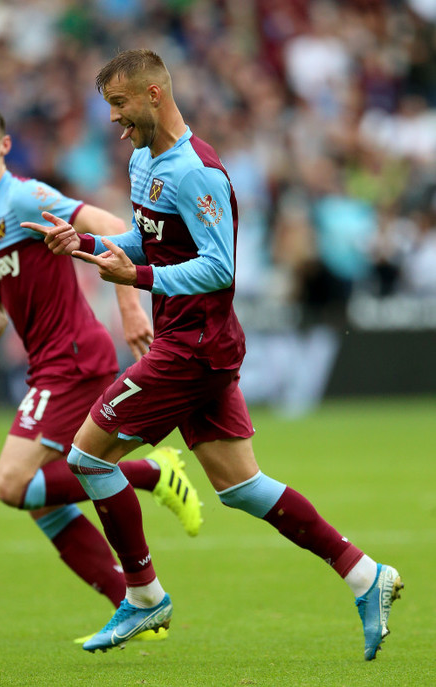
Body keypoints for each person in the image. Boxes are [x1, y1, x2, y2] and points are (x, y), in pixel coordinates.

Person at [23, 49, 404, 660]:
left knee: (86, 458)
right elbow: (145, 239)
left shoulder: (198, 171)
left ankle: (144, 597)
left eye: (120, 105)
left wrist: (139, 279)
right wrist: (86, 242)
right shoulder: (144, 160)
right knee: (242, 487)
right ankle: (365, 575)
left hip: (192, 347)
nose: (115, 121)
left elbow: (220, 267)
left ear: (153, 95)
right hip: (200, 343)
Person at [0, 100, 202, 641]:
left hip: (73, 358)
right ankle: (135, 605)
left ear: (3, 146)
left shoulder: (24, 196)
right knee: (43, 501)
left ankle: (154, 474)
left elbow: (110, 226)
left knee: (12, 484)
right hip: (49, 365)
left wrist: (129, 303)